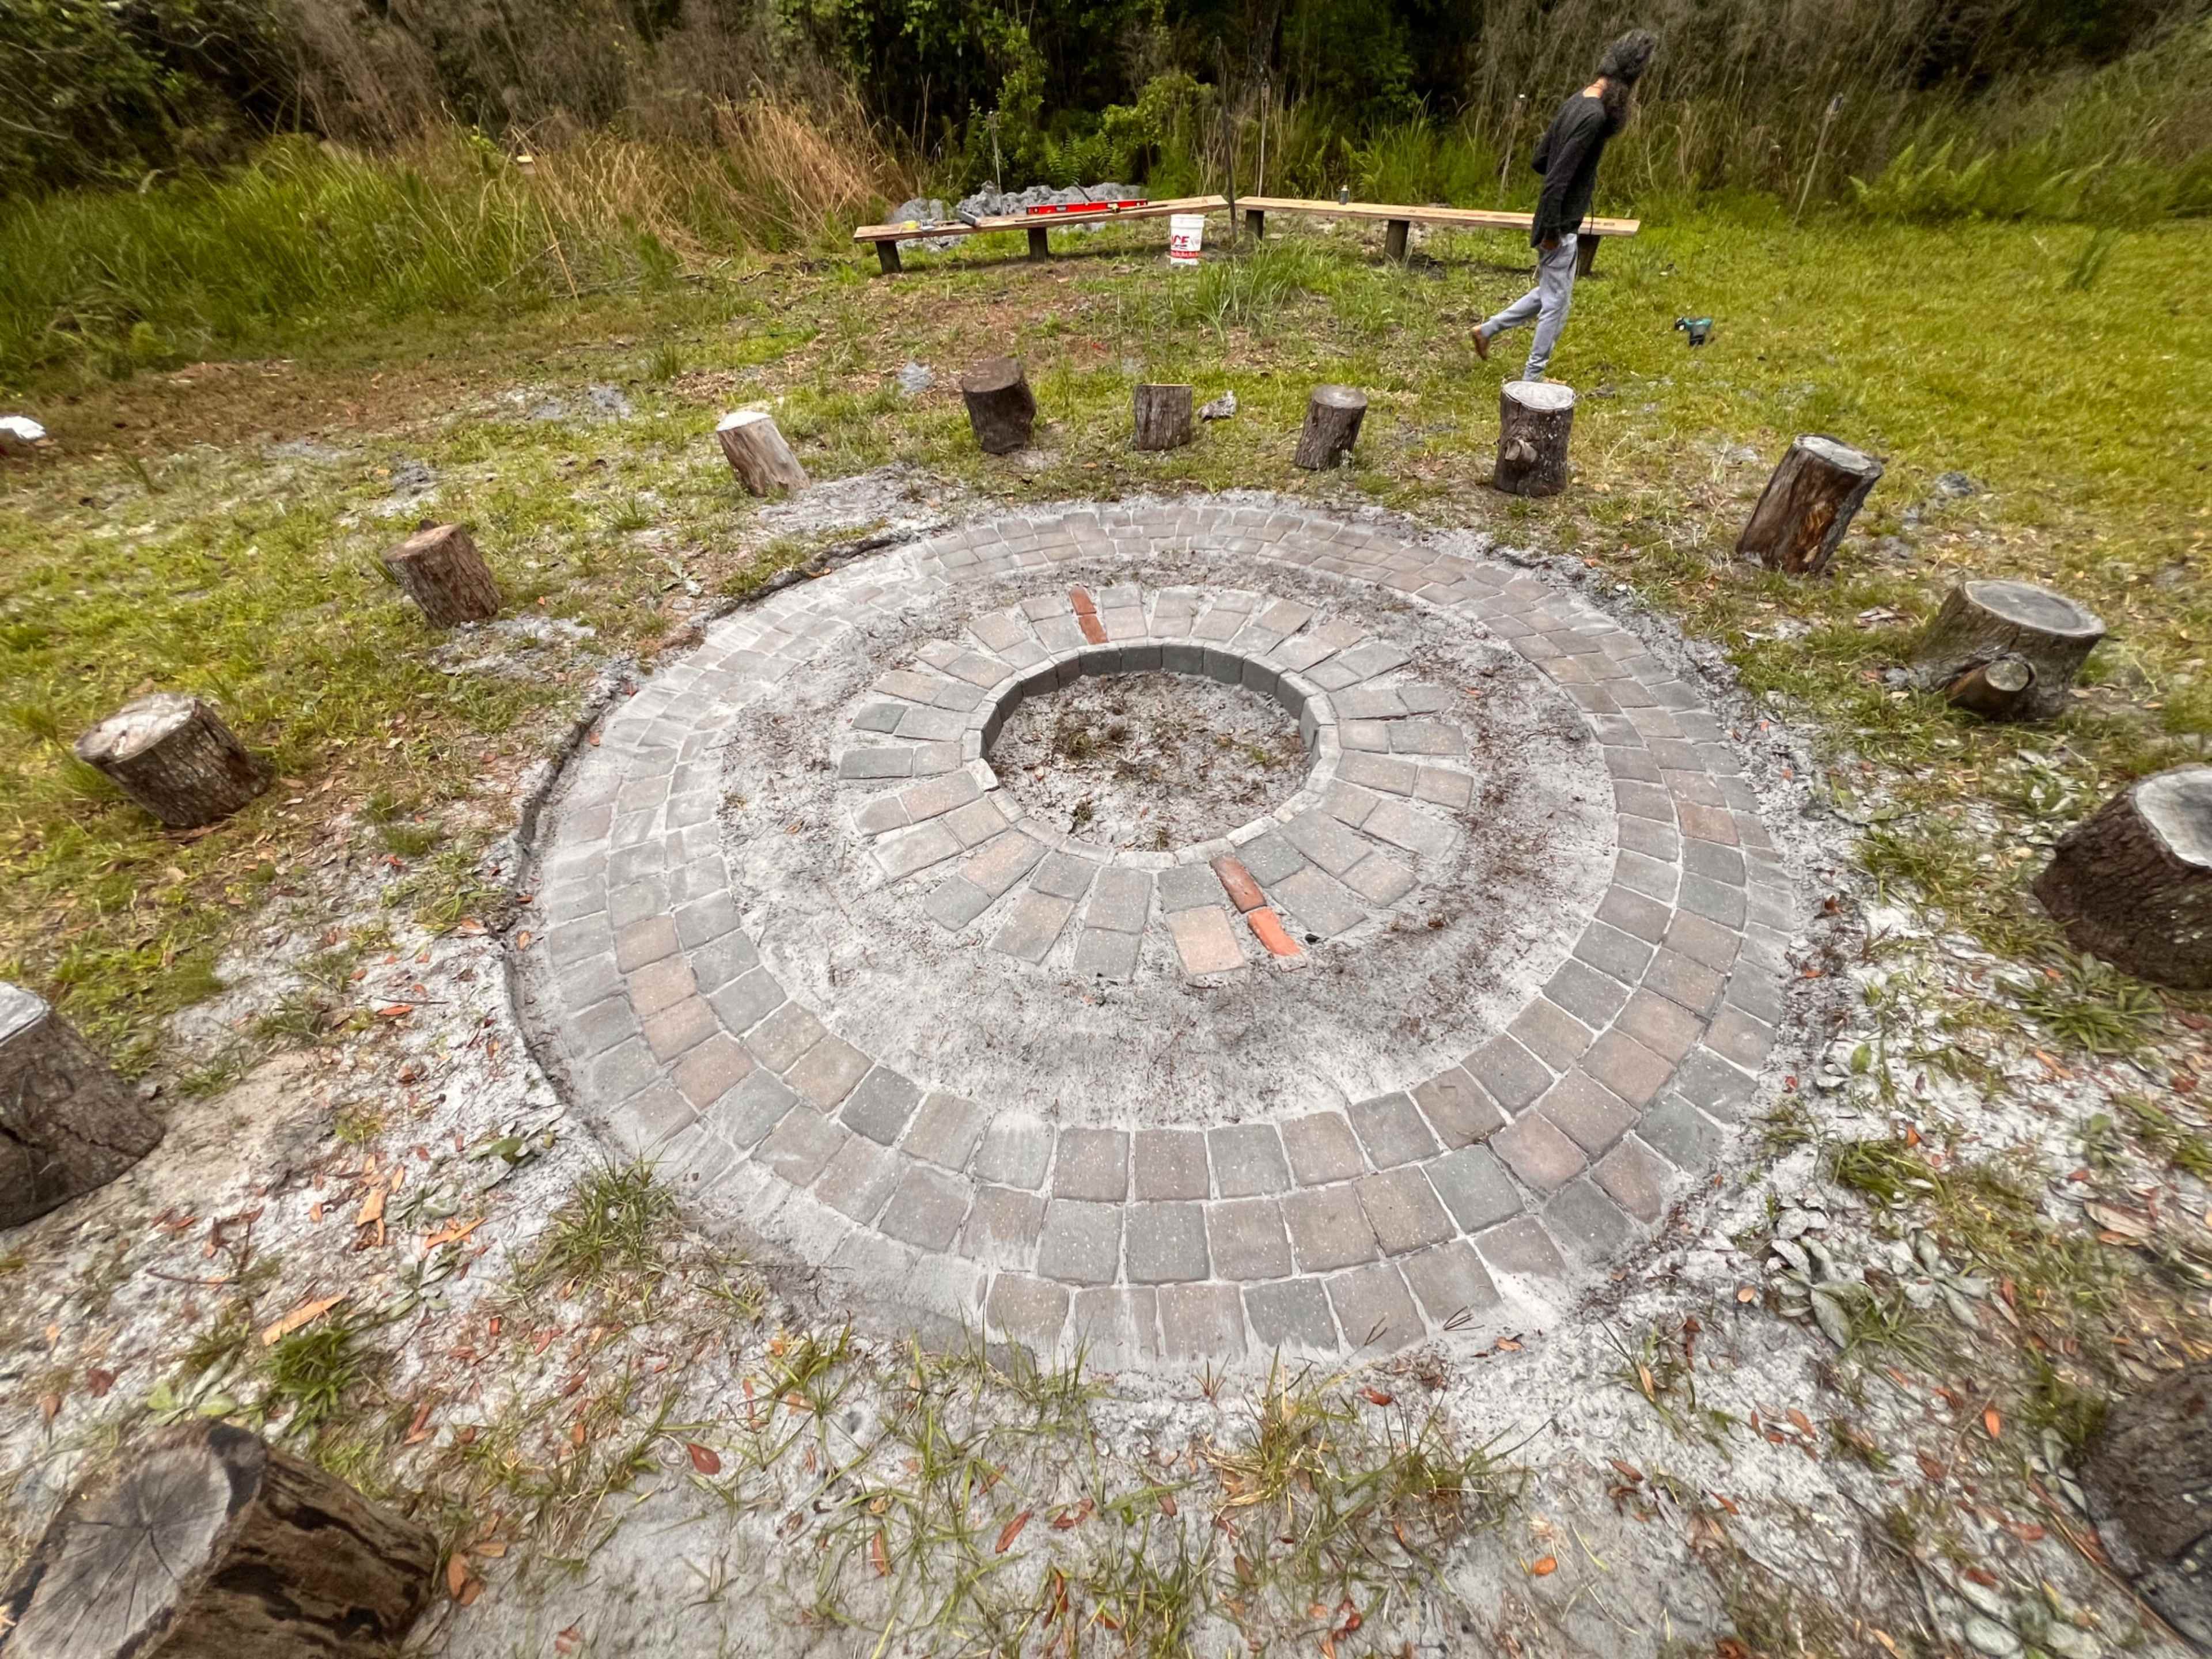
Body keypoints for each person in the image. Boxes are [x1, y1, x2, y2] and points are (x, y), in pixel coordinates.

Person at [1474, 30, 1657, 380]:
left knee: (1550, 294)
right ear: (1628, 83)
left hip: (1556, 220)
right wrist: (1553, 231)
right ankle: (1532, 381)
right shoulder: (1594, 116)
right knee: (1556, 306)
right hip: (1559, 226)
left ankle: (1487, 331)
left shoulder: (1576, 101)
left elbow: (1540, 160)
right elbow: (1556, 178)